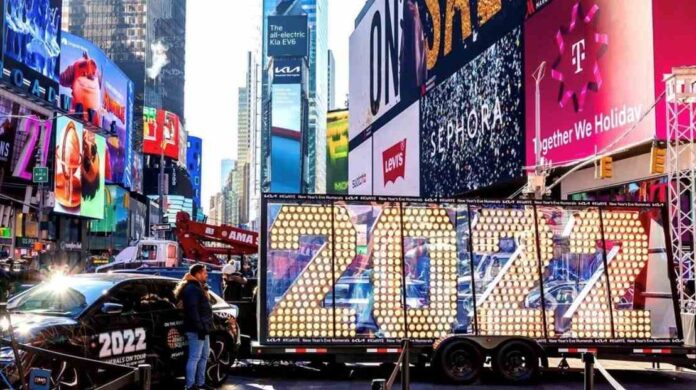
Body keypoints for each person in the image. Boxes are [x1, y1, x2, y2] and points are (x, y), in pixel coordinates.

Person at [174, 264, 214, 390]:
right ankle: (190, 385)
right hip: (196, 329)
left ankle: (200, 383)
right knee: (195, 357)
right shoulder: (192, 289)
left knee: (204, 356)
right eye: (204, 273)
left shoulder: (198, 287)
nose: (206, 275)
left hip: (203, 327)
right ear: (197, 274)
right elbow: (192, 309)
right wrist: (199, 326)